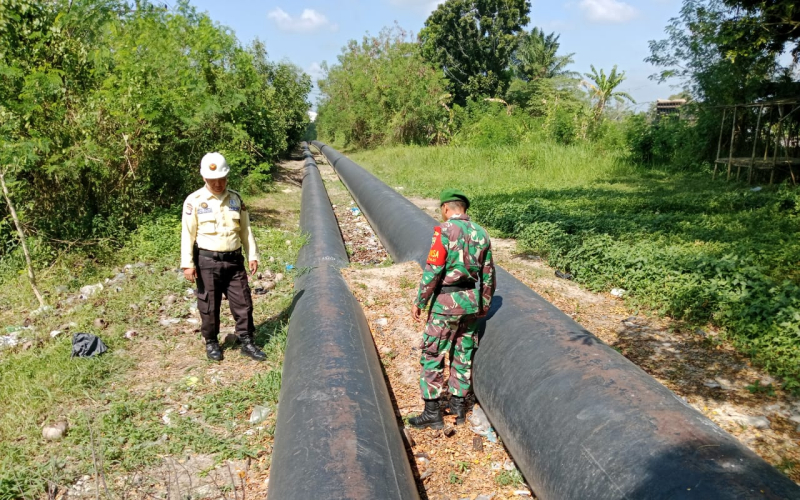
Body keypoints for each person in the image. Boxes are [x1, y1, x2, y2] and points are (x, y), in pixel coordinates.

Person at [409, 188, 496, 429]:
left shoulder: (444, 230)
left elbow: (434, 269)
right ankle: (458, 408)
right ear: (464, 209)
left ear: (447, 209)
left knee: (432, 353)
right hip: (470, 301)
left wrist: (420, 301)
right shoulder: (481, 232)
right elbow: (488, 274)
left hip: (445, 303)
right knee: (462, 353)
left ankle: (432, 412)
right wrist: (484, 304)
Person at [180, 152, 266, 362]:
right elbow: (187, 233)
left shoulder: (235, 199)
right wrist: (187, 264)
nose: (218, 183)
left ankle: (246, 340)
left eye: (221, 179)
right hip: (207, 261)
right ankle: (211, 342)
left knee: (243, 302)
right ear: (204, 178)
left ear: (227, 177)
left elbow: (245, 230)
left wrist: (252, 255)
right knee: (209, 305)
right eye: (212, 180)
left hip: (234, 261)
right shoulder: (195, 201)